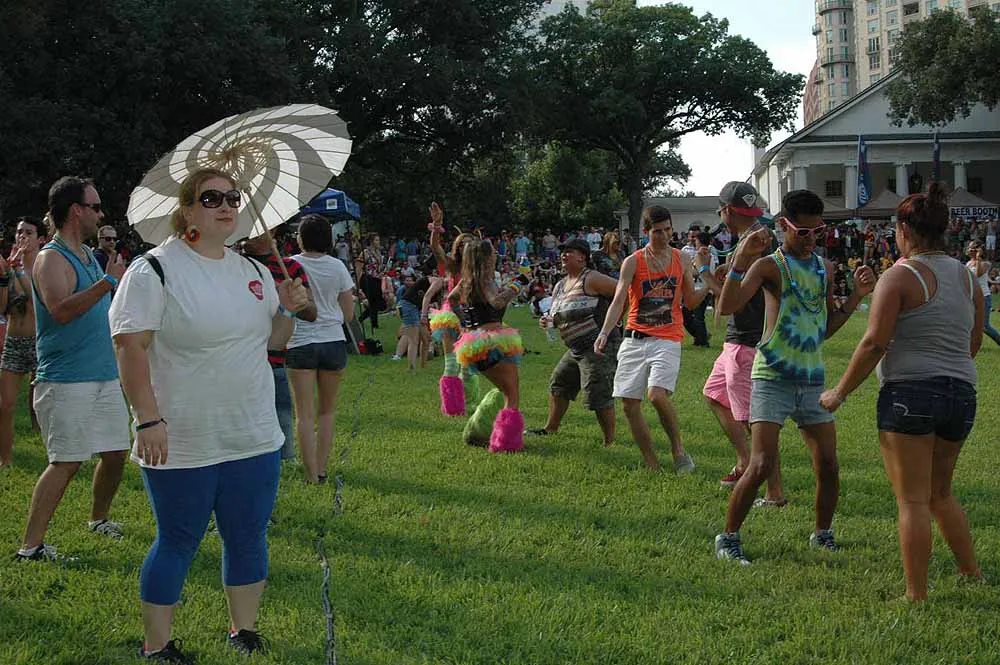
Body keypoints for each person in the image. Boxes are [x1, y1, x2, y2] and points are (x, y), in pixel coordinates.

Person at [111, 168, 310, 661]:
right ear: (186, 211)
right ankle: (158, 645)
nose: (226, 206)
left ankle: (244, 630)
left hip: (253, 433)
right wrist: (147, 419)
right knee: (178, 539)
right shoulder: (154, 270)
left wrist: (287, 310)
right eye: (211, 198)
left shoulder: (254, 271)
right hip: (182, 435)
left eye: (233, 198)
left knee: (247, 535)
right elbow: (130, 347)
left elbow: (272, 343)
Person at [819, 183, 983, 601]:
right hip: (961, 394)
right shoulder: (968, 278)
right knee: (941, 493)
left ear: (905, 230)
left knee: (912, 501)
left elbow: (874, 342)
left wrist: (839, 392)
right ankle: (971, 572)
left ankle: (916, 594)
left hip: (910, 394)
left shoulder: (899, 275)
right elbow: (974, 343)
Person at [713, 189, 876, 565]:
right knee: (760, 464)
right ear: (783, 226)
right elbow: (727, 306)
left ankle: (823, 534)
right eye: (803, 232)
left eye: (818, 231)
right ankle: (728, 538)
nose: (811, 238)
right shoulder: (769, 266)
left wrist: (855, 296)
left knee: (829, 465)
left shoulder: (825, 268)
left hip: (812, 379)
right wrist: (741, 261)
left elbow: (824, 329)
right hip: (771, 377)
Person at [15, 177, 130, 563]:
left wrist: (112, 282)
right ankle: (30, 547)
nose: (101, 214)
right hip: (65, 379)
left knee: (116, 453)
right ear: (76, 211)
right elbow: (61, 310)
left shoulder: (87, 256)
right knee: (65, 462)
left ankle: (98, 519)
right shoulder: (51, 258)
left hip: (103, 373)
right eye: (95, 207)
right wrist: (108, 281)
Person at [594, 206, 709, 472]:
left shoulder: (681, 259)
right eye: (658, 231)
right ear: (646, 231)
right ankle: (651, 463)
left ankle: (678, 450)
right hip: (634, 337)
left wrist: (709, 285)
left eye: (668, 230)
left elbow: (690, 301)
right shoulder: (633, 261)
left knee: (657, 395)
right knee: (629, 404)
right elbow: (619, 300)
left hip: (667, 337)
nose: (664, 236)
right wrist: (604, 332)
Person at [698, 182, 785, 501]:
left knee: (756, 423)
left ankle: (775, 493)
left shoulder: (754, 242)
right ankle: (745, 461)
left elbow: (729, 302)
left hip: (747, 340)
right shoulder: (758, 236)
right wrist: (729, 266)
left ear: (726, 210)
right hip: (740, 338)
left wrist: (704, 272)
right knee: (714, 395)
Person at [527, 239, 619, 446]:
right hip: (576, 348)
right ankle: (551, 428)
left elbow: (623, 292)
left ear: (582, 257)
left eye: (569, 251)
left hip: (597, 346)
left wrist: (618, 319)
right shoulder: (560, 285)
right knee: (559, 383)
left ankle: (609, 441)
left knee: (598, 392)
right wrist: (549, 320)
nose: (563, 255)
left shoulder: (591, 278)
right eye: (562, 252)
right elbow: (558, 313)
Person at [286, 215, 356, 485]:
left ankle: (311, 473)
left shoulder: (290, 265)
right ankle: (322, 468)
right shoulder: (337, 267)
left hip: (300, 341)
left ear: (301, 238)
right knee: (327, 412)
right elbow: (348, 313)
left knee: (303, 414)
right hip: (333, 340)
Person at [242, 228, 318, 464]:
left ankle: (286, 458)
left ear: (271, 230)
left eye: (256, 231)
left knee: (281, 410)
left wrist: (296, 301)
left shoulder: (290, 268)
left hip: (274, 357)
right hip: (240, 356)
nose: (249, 236)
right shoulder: (234, 265)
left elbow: (312, 313)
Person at [448, 239, 527, 452]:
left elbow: (452, 300)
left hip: (473, 344)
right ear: (486, 257)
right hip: (494, 342)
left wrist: (465, 323)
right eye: (492, 252)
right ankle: (506, 443)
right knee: (511, 394)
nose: (495, 255)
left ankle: (479, 431)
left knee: (504, 390)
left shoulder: (466, 281)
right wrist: (519, 284)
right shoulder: (486, 281)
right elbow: (497, 302)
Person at [423, 203, 480, 417]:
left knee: (468, 366)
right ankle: (452, 407)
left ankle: (469, 403)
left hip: (471, 316)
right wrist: (437, 225)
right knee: (451, 364)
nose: (465, 247)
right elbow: (435, 247)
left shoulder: (477, 271)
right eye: (462, 244)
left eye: (469, 244)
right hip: (450, 317)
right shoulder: (451, 265)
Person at [0, 216, 45, 467]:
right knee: (5, 404)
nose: (22, 237)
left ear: (40, 239)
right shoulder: (10, 268)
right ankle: (5, 459)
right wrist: (5, 277)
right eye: (19, 232)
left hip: (39, 340)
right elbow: (2, 307)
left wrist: (18, 270)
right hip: (14, 341)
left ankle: (51, 450)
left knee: (43, 401)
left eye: (29, 232)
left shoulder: (43, 266)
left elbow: (37, 301)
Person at [681, 229, 714, 348]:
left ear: (699, 241)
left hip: (703, 289)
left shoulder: (705, 254)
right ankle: (701, 336)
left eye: (696, 240)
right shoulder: (701, 253)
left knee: (698, 316)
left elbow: (697, 272)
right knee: (686, 314)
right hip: (694, 289)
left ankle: (702, 341)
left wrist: (688, 269)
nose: (695, 242)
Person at [965, 240, 1000, 346]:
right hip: (971, 297)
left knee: (985, 326)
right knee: (969, 323)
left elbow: (977, 275)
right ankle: (969, 345)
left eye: (971, 247)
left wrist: (978, 258)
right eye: (969, 247)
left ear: (978, 250)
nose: (969, 249)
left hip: (983, 297)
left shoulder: (985, 263)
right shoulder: (968, 263)